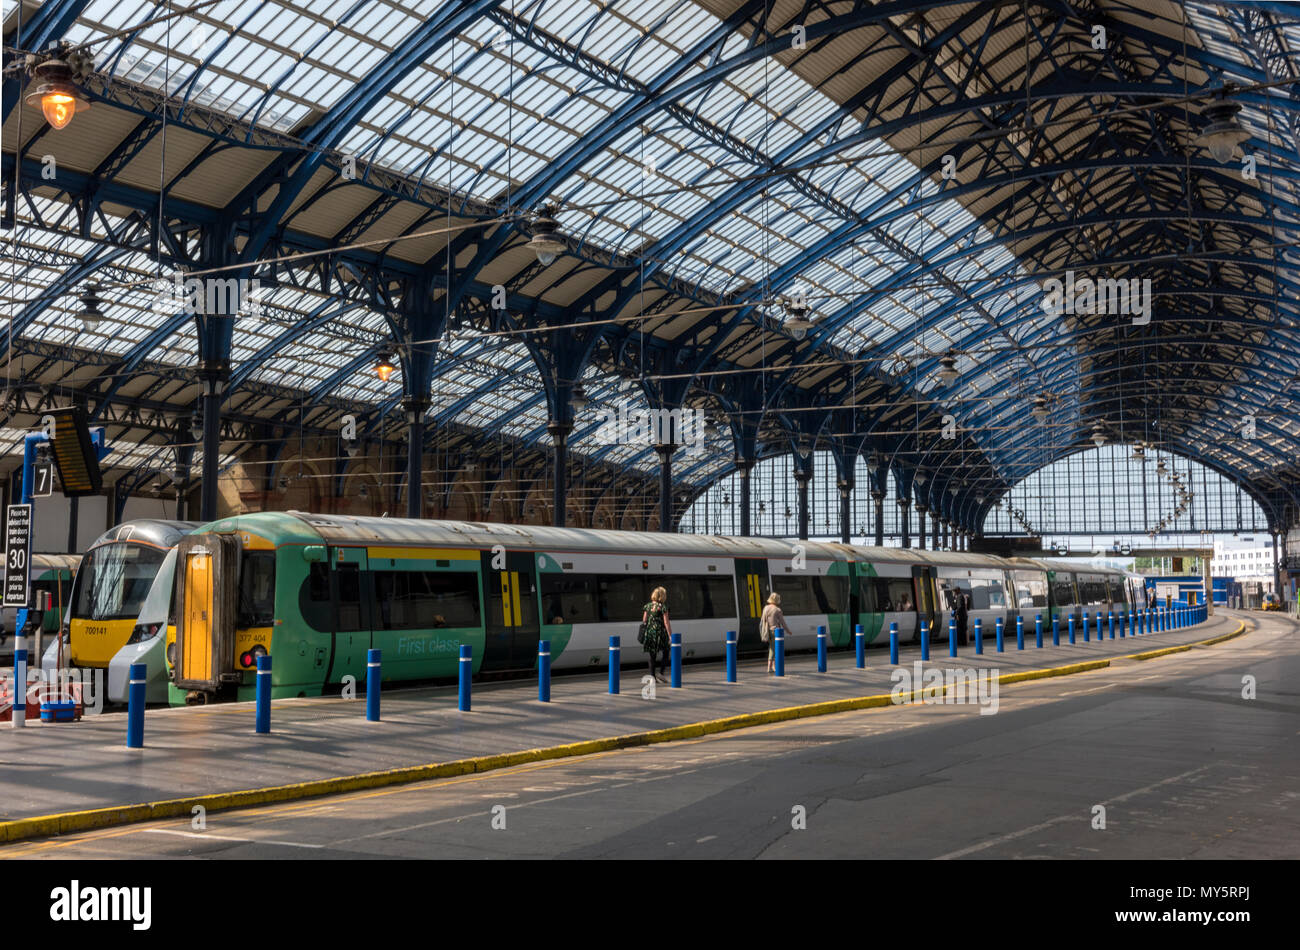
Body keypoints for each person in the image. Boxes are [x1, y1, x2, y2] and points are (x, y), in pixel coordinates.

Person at [641, 586, 672, 682]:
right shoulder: (663, 607)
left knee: (652, 656)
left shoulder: (648, 606)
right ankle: (661, 673)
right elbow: (666, 623)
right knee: (666, 652)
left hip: (650, 633)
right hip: (660, 633)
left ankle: (652, 677)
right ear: (662, 596)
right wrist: (670, 635)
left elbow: (644, 620)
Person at [759, 591, 788, 674]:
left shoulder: (765, 608)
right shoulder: (777, 610)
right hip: (776, 632)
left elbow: (763, 620)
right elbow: (783, 623)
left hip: (767, 631)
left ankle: (773, 666)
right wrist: (788, 631)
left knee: (773, 648)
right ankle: (769, 667)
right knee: (773, 649)